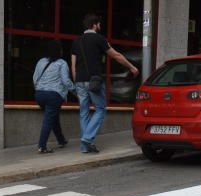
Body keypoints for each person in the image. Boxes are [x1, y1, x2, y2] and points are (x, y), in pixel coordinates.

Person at [70, 13, 138, 154]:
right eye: (99, 24)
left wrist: (77, 81)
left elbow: (73, 65)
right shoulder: (99, 39)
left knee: (84, 112)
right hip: (93, 80)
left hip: (79, 81)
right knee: (100, 109)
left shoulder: (76, 41)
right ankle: (87, 139)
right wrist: (131, 67)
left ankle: (85, 146)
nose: (100, 26)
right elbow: (116, 55)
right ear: (94, 25)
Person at [33, 40, 74, 154]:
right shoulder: (62, 63)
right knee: (49, 119)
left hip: (39, 94)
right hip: (54, 95)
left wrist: (39, 89)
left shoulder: (41, 61)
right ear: (59, 50)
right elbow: (66, 81)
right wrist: (75, 89)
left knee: (52, 117)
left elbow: (35, 78)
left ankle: (61, 140)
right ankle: (42, 146)